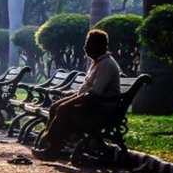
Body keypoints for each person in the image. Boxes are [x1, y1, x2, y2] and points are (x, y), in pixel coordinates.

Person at [32, 30, 121, 161]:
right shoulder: (97, 62)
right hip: (92, 104)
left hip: (102, 108)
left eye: (88, 44)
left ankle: (51, 146)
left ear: (99, 46)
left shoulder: (106, 64)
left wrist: (67, 103)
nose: (85, 47)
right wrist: (69, 98)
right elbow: (87, 91)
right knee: (55, 106)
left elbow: (94, 94)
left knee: (63, 110)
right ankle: (52, 141)